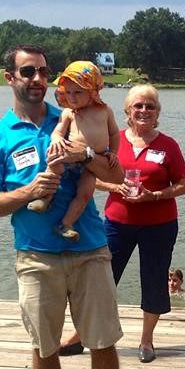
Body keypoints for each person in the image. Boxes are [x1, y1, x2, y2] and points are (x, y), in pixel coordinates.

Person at [0, 45, 136, 369]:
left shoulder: (78, 115)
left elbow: (117, 174)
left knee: (102, 342)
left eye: (44, 71)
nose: (38, 79)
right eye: (28, 71)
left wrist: (85, 155)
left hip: (89, 250)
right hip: (36, 256)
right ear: (9, 77)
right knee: (44, 346)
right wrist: (30, 192)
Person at [94, 84, 185, 363]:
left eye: (150, 106)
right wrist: (114, 187)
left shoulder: (168, 145)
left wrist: (155, 195)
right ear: (127, 111)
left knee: (154, 281)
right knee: (101, 279)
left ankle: (147, 340)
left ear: (158, 111)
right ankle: (88, 333)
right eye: (138, 105)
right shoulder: (113, 142)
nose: (144, 110)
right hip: (116, 222)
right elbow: (91, 177)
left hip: (159, 224)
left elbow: (183, 185)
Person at [27, 60, 120, 242]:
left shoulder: (105, 111)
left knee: (85, 194)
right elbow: (58, 131)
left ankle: (66, 224)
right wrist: (57, 139)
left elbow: (114, 133)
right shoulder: (69, 112)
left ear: (92, 91)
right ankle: (45, 199)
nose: (72, 98)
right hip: (69, 156)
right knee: (54, 167)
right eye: (68, 93)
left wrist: (114, 152)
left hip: (93, 163)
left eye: (78, 92)